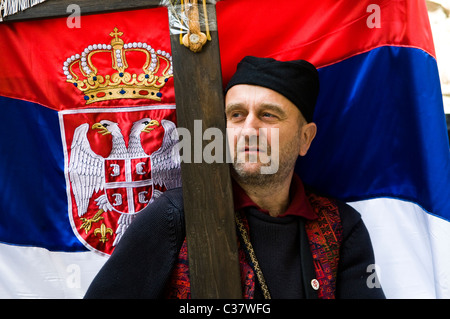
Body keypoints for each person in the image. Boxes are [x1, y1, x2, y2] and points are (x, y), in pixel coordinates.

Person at [84, 56, 385, 299]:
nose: (249, 129)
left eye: (269, 115)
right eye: (237, 115)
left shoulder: (341, 227)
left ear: (305, 138)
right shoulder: (175, 217)